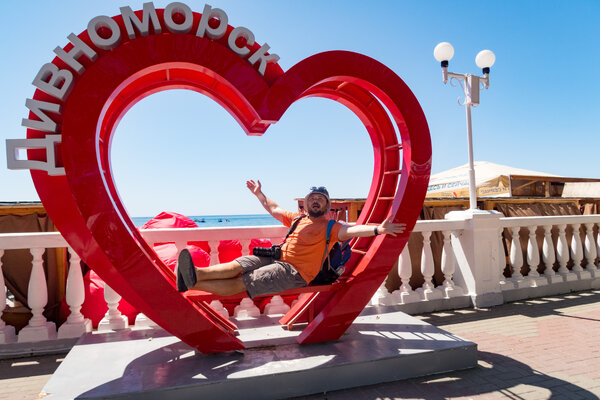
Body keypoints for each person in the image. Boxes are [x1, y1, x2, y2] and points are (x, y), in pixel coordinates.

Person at [176, 180, 406, 298]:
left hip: (296, 273)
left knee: (243, 282)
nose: (315, 201)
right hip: (277, 260)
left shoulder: (331, 227)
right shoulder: (297, 218)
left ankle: (193, 283)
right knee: (241, 264)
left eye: (320, 199)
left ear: (327, 205)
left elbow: (352, 231)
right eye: (312, 198)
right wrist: (259, 193)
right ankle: (195, 273)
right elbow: (273, 208)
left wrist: (378, 230)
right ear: (306, 203)